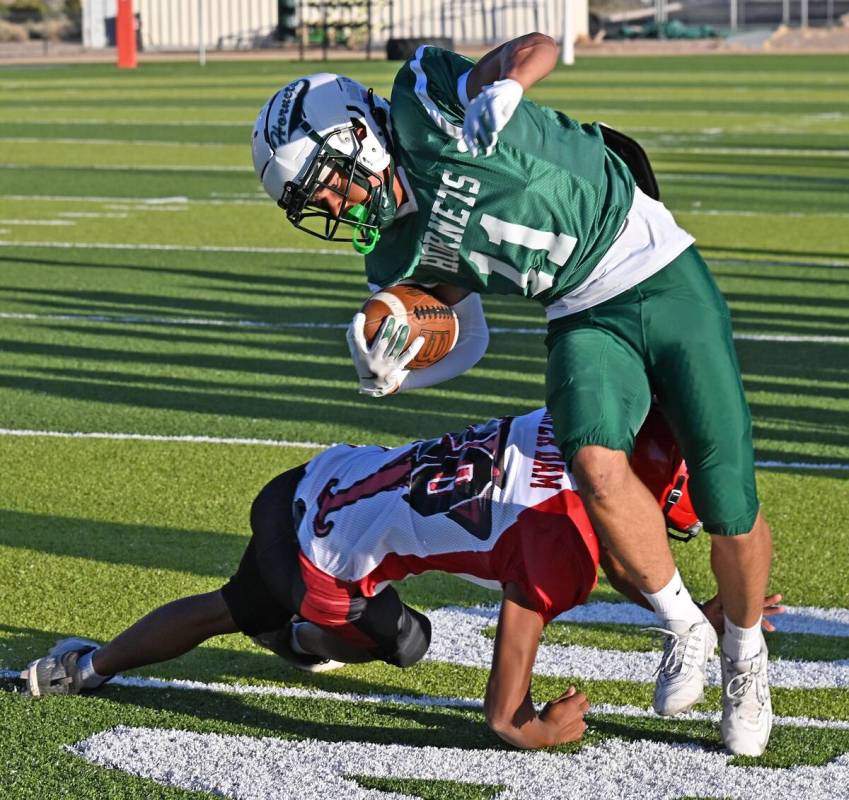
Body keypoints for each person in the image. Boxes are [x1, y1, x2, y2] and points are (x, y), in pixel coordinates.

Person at [250, 33, 775, 755]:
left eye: (328, 181)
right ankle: (684, 626)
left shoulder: (420, 102)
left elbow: (535, 43)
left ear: (356, 137)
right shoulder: (394, 250)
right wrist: (397, 369)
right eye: (314, 200)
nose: (334, 203)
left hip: (652, 262)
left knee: (725, 498)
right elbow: (464, 341)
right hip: (579, 308)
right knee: (592, 463)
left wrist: (507, 88)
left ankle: (746, 662)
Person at [18, 407, 780, 750]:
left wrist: (689, 614)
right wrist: (531, 729)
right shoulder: (561, 546)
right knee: (406, 641)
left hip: (307, 485)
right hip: (323, 569)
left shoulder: (574, 427)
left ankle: (78, 667)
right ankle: (295, 628)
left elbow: (614, 539)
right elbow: (501, 708)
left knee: (224, 604)